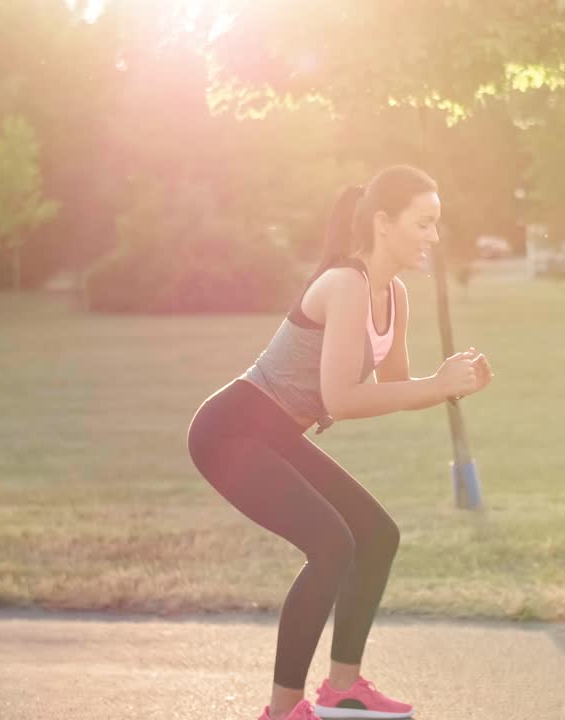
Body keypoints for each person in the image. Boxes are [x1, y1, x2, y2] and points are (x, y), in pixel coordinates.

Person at [188, 165, 493, 720]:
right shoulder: (344, 285)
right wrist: (435, 385)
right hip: (231, 430)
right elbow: (345, 399)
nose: (434, 236)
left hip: (275, 434)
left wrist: (451, 384)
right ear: (382, 223)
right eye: (423, 223)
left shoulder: (394, 295)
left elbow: (397, 387)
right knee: (331, 544)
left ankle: (343, 688)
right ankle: (282, 712)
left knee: (376, 535)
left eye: (436, 224)